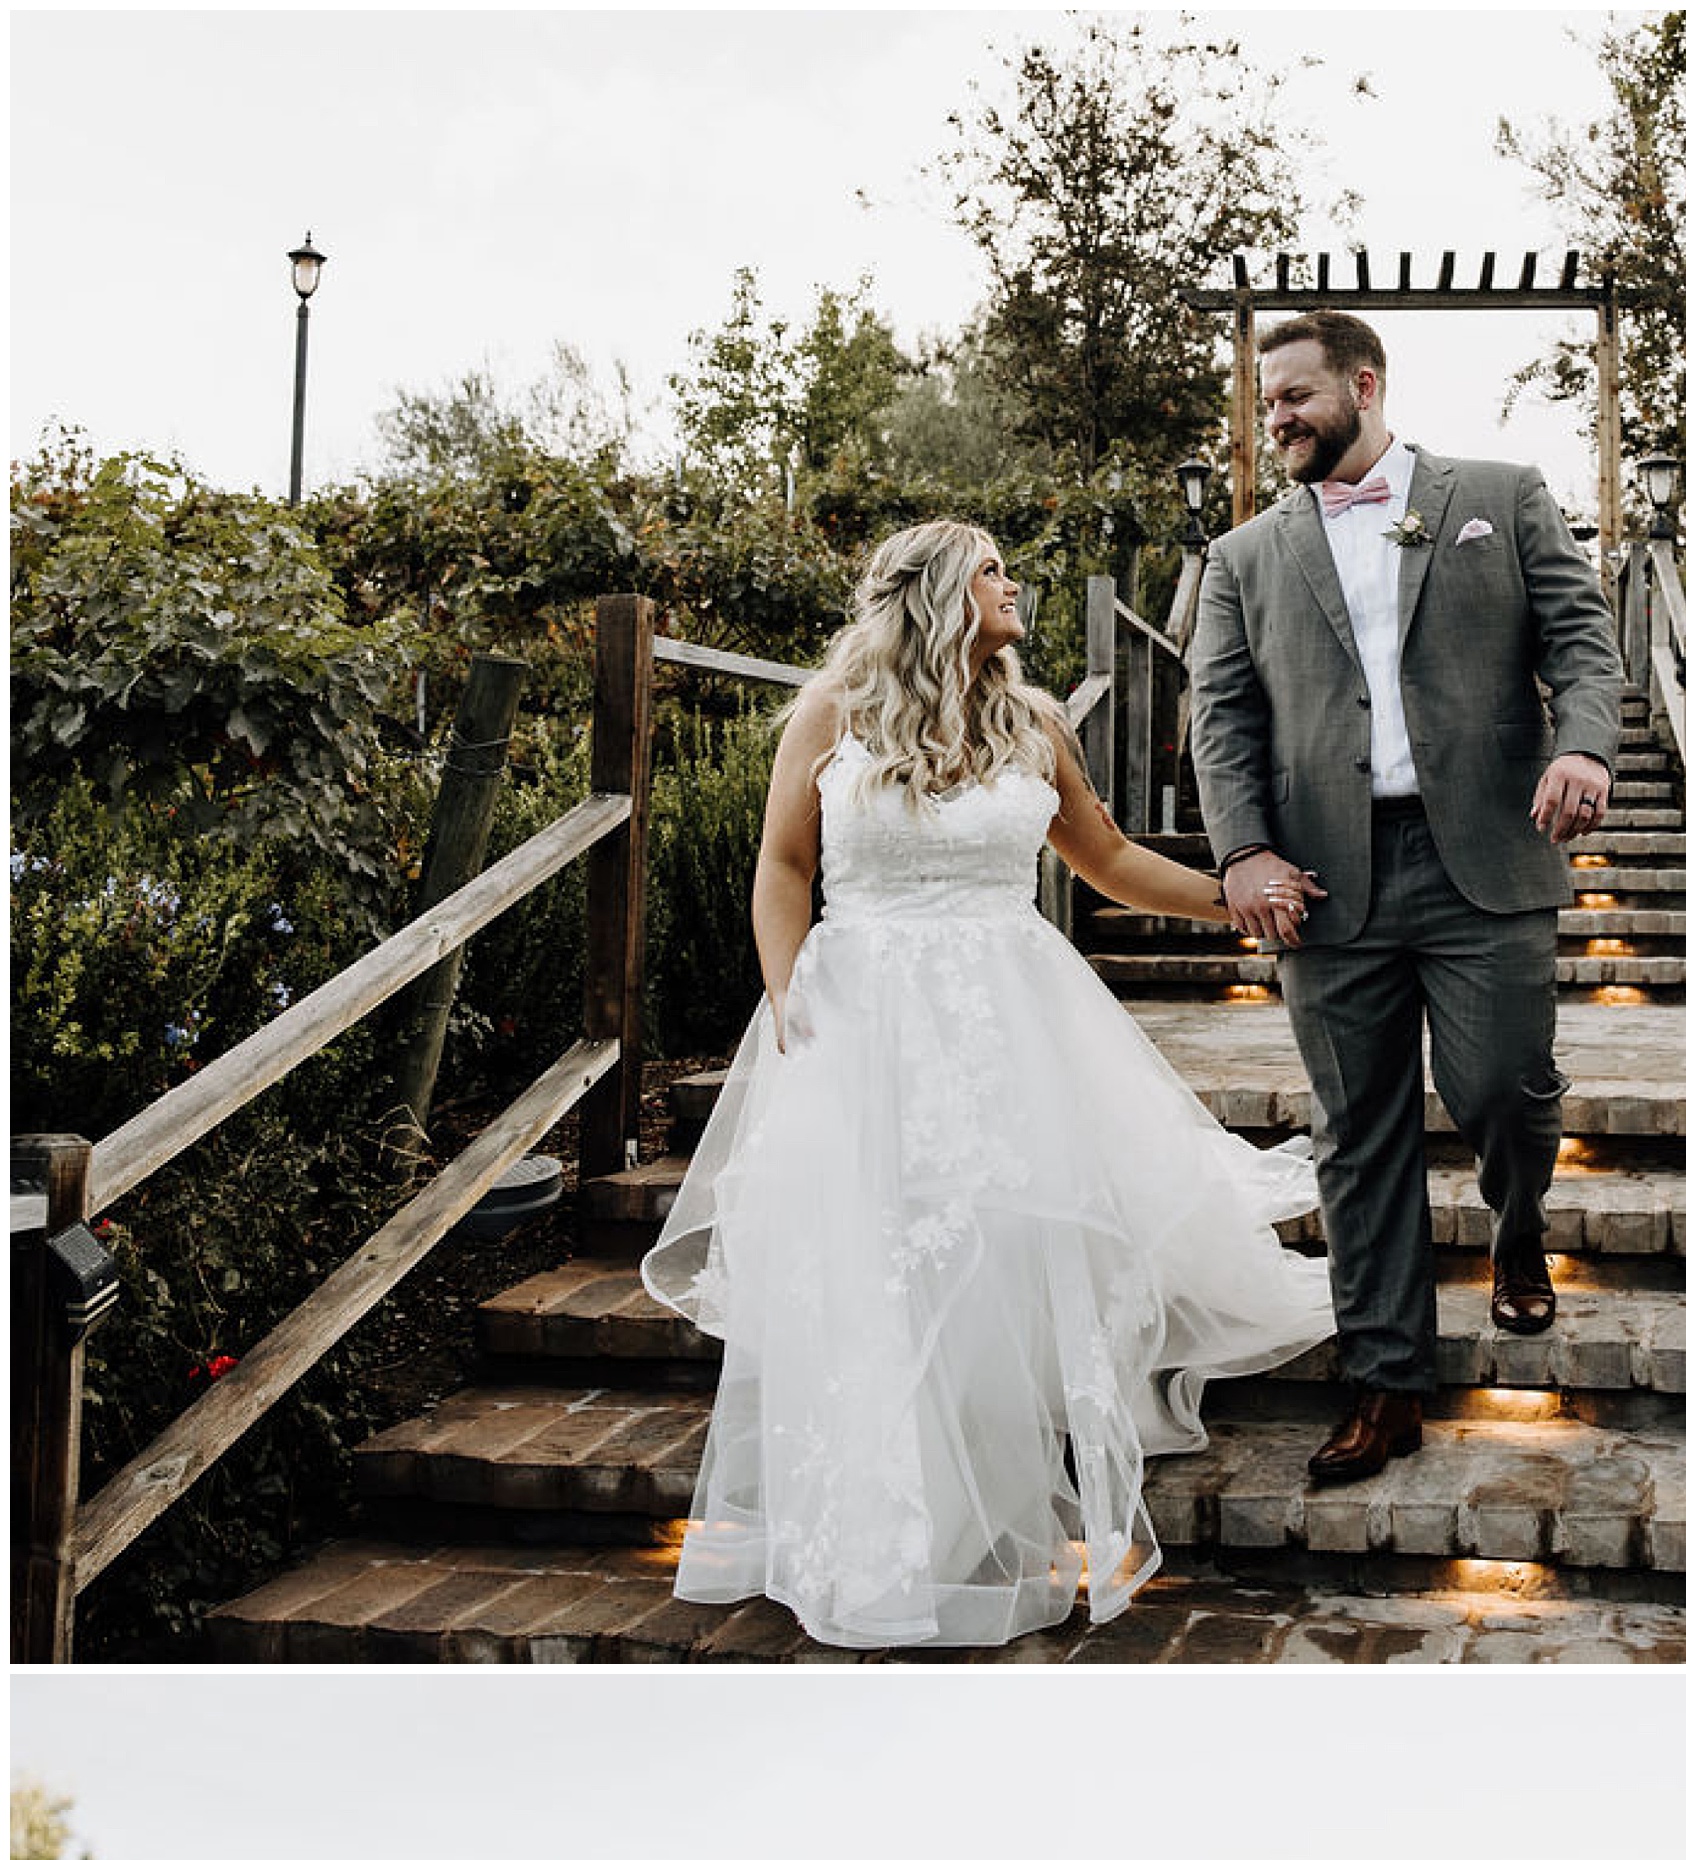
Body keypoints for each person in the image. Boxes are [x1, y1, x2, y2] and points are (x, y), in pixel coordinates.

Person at [641, 522, 1336, 1649]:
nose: (1016, 586)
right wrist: (781, 991)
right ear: (932, 592)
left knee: (999, 1254)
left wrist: (1235, 901)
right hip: (860, 1020)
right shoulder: (832, 712)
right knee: (881, 1262)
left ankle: (979, 1509)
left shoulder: (1034, 717)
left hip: (1012, 1021)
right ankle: (890, 1527)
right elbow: (783, 862)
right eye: (995, 570)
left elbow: (1105, 857)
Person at [1188, 309, 1625, 1487]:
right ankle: (1385, 1381)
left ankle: (1518, 1221)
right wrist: (1239, 856)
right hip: (1325, 879)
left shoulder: (1501, 492)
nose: (1272, 417)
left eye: (1292, 396)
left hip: (1485, 846)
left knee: (1501, 1088)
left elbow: (1584, 643)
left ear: (1363, 385)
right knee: (1357, 1132)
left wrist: (1581, 746)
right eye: (1263, 400)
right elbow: (1220, 719)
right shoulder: (1240, 559)